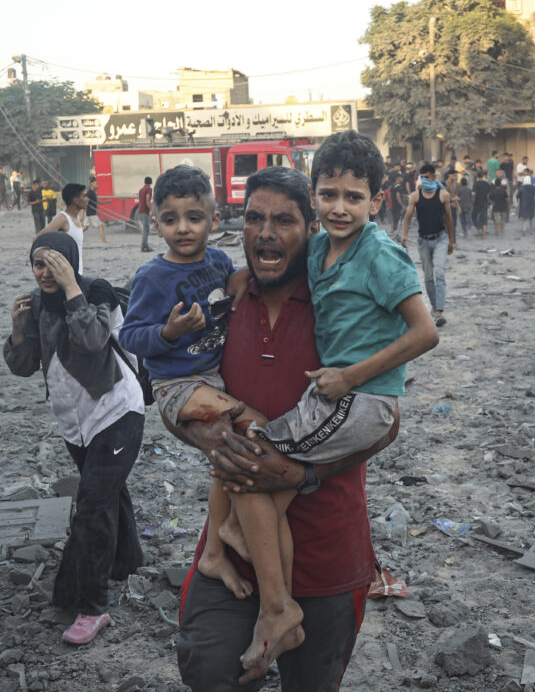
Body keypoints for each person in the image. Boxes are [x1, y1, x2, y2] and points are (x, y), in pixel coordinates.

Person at [170, 162, 415, 691]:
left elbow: (387, 421)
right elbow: (170, 386)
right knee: (209, 670)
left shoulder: (341, 300)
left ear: (311, 228)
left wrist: (299, 475)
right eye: (254, 219)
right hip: (233, 545)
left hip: (328, 546)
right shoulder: (223, 302)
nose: (265, 232)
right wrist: (207, 433)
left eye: (284, 221)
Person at [3, 232, 144, 646]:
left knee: (91, 508)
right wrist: (16, 329)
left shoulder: (96, 293)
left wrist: (72, 290)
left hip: (118, 413)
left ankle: (91, 606)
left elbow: (93, 340)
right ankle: (128, 561)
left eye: (55, 263)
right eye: (38, 263)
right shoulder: (35, 305)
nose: (46, 272)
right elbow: (24, 365)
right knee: (109, 495)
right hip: (74, 424)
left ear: (72, 261)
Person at [400, 163, 454, 327]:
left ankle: (439, 311)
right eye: (421, 177)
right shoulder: (415, 196)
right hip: (423, 241)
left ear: (434, 176)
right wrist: (404, 235)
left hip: (440, 239)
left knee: (439, 273)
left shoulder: (443, 195)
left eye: (426, 177)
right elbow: (408, 217)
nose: (423, 180)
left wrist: (451, 240)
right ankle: (434, 307)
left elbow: (449, 219)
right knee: (429, 278)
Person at [35, 183, 88, 273]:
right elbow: (38, 239)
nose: (87, 199)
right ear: (76, 200)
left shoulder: (76, 218)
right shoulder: (63, 219)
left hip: (78, 273)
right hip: (66, 276)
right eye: (84, 196)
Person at [87, 177, 107, 245]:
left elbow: (98, 202)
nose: (97, 185)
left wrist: (107, 201)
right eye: (96, 183)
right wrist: (82, 214)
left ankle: (73, 236)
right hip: (91, 213)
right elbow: (85, 202)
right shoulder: (89, 193)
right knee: (100, 226)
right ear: (92, 184)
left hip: (90, 213)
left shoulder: (93, 193)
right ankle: (105, 242)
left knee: (85, 227)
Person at [472, 169, 491, 239]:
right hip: (484, 202)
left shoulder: (476, 183)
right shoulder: (486, 183)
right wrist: (489, 202)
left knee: (473, 216)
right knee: (484, 218)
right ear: (483, 175)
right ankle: (484, 235)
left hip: (477, 202)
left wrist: (473, 200)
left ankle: (479, 229)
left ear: (477, 175)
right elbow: (489, 193)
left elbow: (474, 193)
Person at [515, 170, 535, 235]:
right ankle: (531, 231)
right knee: (531, 218)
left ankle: (524, 231)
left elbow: (517, 196)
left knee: (524, 219)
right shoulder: (533, 188)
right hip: (531, 205)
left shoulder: (522, 188)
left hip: (523, 205)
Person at [137, 176, 153, 252]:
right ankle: (144, 247)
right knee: (146, 230)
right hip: (144, 211)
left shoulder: (141, 189)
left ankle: (144, 246)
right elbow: (147, 200)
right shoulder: (149, 189)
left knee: (145, 229)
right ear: (151, 182)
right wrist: (151, 209)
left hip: (140, 211)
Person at [456, 174, 472, 239]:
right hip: (468, 206)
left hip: (461, 207)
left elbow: (457, 198)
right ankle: (469, 232)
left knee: (462, 221)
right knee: (468, 220)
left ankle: (465, 234)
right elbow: (471, 198)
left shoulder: (459, 190)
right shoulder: (469, 189)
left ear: (461, 183)